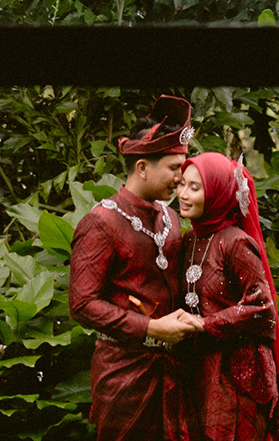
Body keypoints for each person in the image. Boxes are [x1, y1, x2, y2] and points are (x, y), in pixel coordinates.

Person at [68, 94, 200, 440]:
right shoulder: (101, 222)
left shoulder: (172, 218)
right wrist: (151, 328)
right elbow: (82, 304)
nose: (180, 178)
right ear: (142, 166)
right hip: (124, 375)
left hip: (175, 371)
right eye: (174, 167)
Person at [173, 151, 279, 441]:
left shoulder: (236, 243)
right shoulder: (188, 239)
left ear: (217, 193)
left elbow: (262, 306)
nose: (183, 194)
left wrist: (206, 323)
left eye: (195, 187)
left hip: (237, 373)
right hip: (200, 366)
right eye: (181, 184)